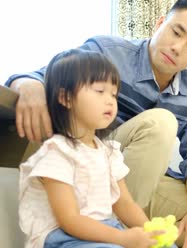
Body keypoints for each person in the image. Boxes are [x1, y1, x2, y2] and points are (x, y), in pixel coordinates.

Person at [6, 0, 187, 248]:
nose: (178, 47)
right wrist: (28, 85)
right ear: (160, 23)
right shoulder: (108, 52)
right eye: (176, 32)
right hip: (90, 163)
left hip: (130, 181)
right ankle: (112, 231)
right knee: (161, 122)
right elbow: (47, 74)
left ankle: (139, 233)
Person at [19, 49, 164, 248]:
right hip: (63, 237)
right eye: (99, 91)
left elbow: (125, 204)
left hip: (103, 229)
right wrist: (122, 238)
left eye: (113, 94)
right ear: (66, 98)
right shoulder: (57, 153)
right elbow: (69, 219)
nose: (110, 100)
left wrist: (150, 232)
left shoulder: (108, 152)